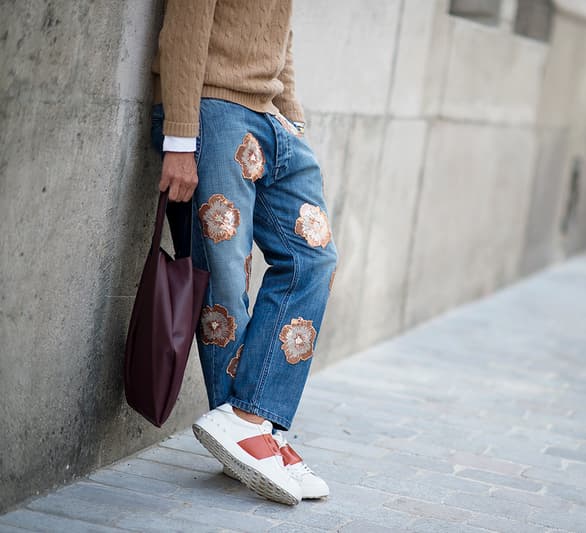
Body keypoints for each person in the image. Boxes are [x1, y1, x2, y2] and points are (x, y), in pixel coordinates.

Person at [149, 0, 338, 505]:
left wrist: (292, 117)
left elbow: (280, 33)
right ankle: (253, 431)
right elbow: (186, 22)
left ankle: (253, 420)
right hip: (214, 109)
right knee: (227, 279)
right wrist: (181, 137)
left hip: (271, 118)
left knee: (315, 258)